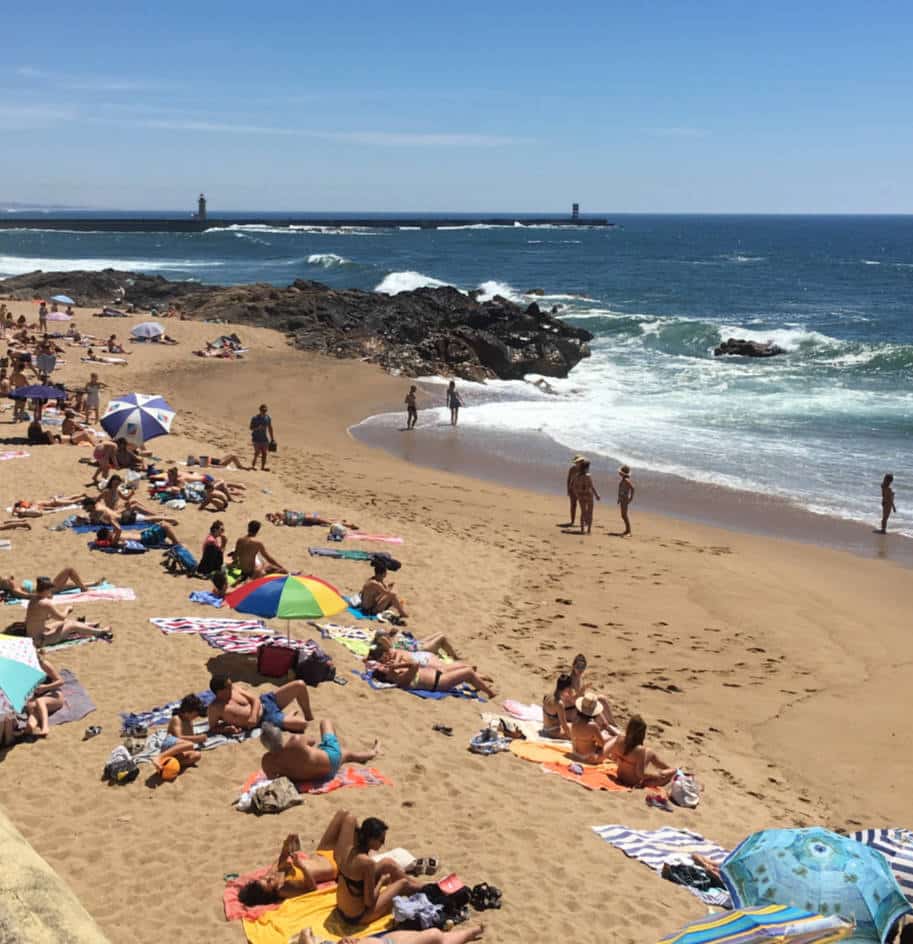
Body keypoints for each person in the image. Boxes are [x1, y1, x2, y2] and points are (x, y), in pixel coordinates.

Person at [237, 809, 356, 906]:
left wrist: (287, 844)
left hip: (322, 853)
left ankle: (359, 848)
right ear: (269, 894)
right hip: (335, 863)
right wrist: (302, 867)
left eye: (264, 878)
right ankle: (360, 850)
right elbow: (311, 890)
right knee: (350, 819)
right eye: (268, 882)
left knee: (342, 813)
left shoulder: (274, 877)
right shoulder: (284, 890)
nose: (269, 877)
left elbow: (280, 861)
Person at [334, 814, 423, 926]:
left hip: (341, 909)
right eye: (381, 840)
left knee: (387, 863)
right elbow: (369, 902)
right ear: (371, 839)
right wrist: (381, 881)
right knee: (402, 884)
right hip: (356, 917)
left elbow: (351, 819)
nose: (383, 843)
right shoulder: (367, 863)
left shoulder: (347, 849)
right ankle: (427, 889)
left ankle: (423, 887)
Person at [260, 720, 380, 783]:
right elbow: (313, 741)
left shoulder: (267, 761)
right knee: (326, 723)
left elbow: (273, 780)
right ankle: (374, 752)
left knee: (344, 754)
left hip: (307, 777)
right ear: (280, 737)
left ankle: (370, 752)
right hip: (330, 763)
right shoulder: (295, 741)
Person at [207, 674, 313, 734]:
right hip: (267, 718)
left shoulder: (234, 689)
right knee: (302, 725)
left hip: (266, 701)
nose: (232, 687)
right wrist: (226, 729)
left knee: (300, 684)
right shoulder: (215, 708)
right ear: (219, 691)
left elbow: (255, 700)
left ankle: (309, 716)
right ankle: (289, 716)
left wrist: (253, 716)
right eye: (228, 687)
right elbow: (212, 728)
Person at [25, 577, 112, 645]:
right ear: (46, 590)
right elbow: (61, 617)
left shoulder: (33, 599)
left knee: (65, 622)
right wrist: (67, 609)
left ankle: (88, 626)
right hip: (40, 640)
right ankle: (100, 632)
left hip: (33, 636)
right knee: (71, 625)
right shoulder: (45, 603)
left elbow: (38, 617)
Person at [604, 714, 677, 788]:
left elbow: (614, 758)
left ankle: (668, 769)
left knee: (649, 752)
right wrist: (655, 775)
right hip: (632, 783)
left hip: (620, 776)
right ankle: (673, 770)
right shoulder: (640, 750)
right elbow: (640, 774)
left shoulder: (619, 739)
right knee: (671, 771)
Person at [374, 660, 496, 699]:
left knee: (467, 667)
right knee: (468, 672)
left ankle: (479, 680)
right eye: (384, 668)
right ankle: (490, 693)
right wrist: (395, 666)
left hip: (438, 673)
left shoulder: (397, 674)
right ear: (386, 676)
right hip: (440, 682)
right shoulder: (400, 680)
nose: (385, 666)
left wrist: (395, 666)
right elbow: (415, 665)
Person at [153, 694, 206, 774]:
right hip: (170, 745)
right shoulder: (176, 719)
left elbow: (190, 738)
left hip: (180, 749)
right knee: (190, 745)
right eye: (195, 714)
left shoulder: (189, 721)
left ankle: (170, 764)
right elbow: (179, 737)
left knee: (197, 755)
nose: (195, 717)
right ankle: (159, 757)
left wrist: (198, 739)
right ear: (187, 712)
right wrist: (198, 738)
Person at [569, 653, 617, 732]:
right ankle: (609, 726)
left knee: (602, 698)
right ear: (573, 666)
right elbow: (572, 700)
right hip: (573, 709)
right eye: (578, 667)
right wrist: (583, 689)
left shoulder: (580, 677)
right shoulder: (570, 680)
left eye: (583, 667)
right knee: (595, 708)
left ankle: (613, 724)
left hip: (580, 704)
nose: (580, 670)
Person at [296, 928, 484, 944]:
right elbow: (306, 934)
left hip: (384, 940)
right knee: (434, 936)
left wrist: (344, 941)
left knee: (434, 937)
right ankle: (471, 932)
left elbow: (306, 932)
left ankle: (470, 933)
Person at [569, 691, 611, 763]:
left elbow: (583, 733)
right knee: (613, 741)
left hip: (575, 753)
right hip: (589, 757)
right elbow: (602, 744)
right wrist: (600, 730)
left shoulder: (574, 721)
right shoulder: (593, 726)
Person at [542, 674, 577, 739]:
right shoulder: (559, 704)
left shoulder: (548, 695)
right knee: (579, 735)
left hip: (545, 728)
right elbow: (564, 726)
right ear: (567, 688)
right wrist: (573, 738)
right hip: (553, 732)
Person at [573, 460, 600, 534]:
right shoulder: (588, 476)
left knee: (583, 513)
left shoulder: (577, 476)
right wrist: (597, 495)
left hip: (581, 495)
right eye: (588, 467)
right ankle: (589, 530)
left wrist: (577, 495)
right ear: (586, 468)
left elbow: (574, 487)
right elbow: (591, 486)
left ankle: (582, 530)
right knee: (590, 512)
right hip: (588, 495)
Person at [266, 510, 358, 528]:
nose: (273, 517)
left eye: (272, 515)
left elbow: (293, 512)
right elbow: (280, 524)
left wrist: (275, 517)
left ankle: (342, 523)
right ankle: (346, 524)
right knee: (323, 520)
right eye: (271, 517)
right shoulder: (280, 521)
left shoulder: (281, 514)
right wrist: (274, 520)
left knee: (323, 519)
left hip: (302, 516)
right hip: (302, 519)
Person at [250, 403, 275, 471]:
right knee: (257, 453)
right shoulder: (255, 418)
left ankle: (262, 467)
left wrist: (272, 439)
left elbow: (270, 428)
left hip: (264, 439)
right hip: (256, 439)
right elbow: (251, 428)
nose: (264, 412)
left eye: (265, 410)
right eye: (262, 410)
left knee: (264, 453)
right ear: (260, 410)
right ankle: (253, 466)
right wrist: (258, 428)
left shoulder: (268, 418)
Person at [566, 456, 585, 527]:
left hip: (581, 491)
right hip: (572, 490)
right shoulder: (572, 469)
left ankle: (584, 522)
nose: (579, 463)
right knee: (573, 506)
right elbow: (568, 479)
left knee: (582, 507)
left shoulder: (584, 470)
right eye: (578, 462)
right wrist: (568, 489)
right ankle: (572, 521)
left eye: (580, 462)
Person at [617, 465, 635, 536]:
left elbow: (632, 488)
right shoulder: (623, 480)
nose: (619, 473)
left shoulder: (626, 481)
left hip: (625, 499)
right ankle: (627, 530)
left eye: (620, 472)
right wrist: (619, 498)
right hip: (622, 499)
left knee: (624, 515)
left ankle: (629, 531)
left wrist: (631, 498)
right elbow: (620, 490)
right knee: (623, 515)